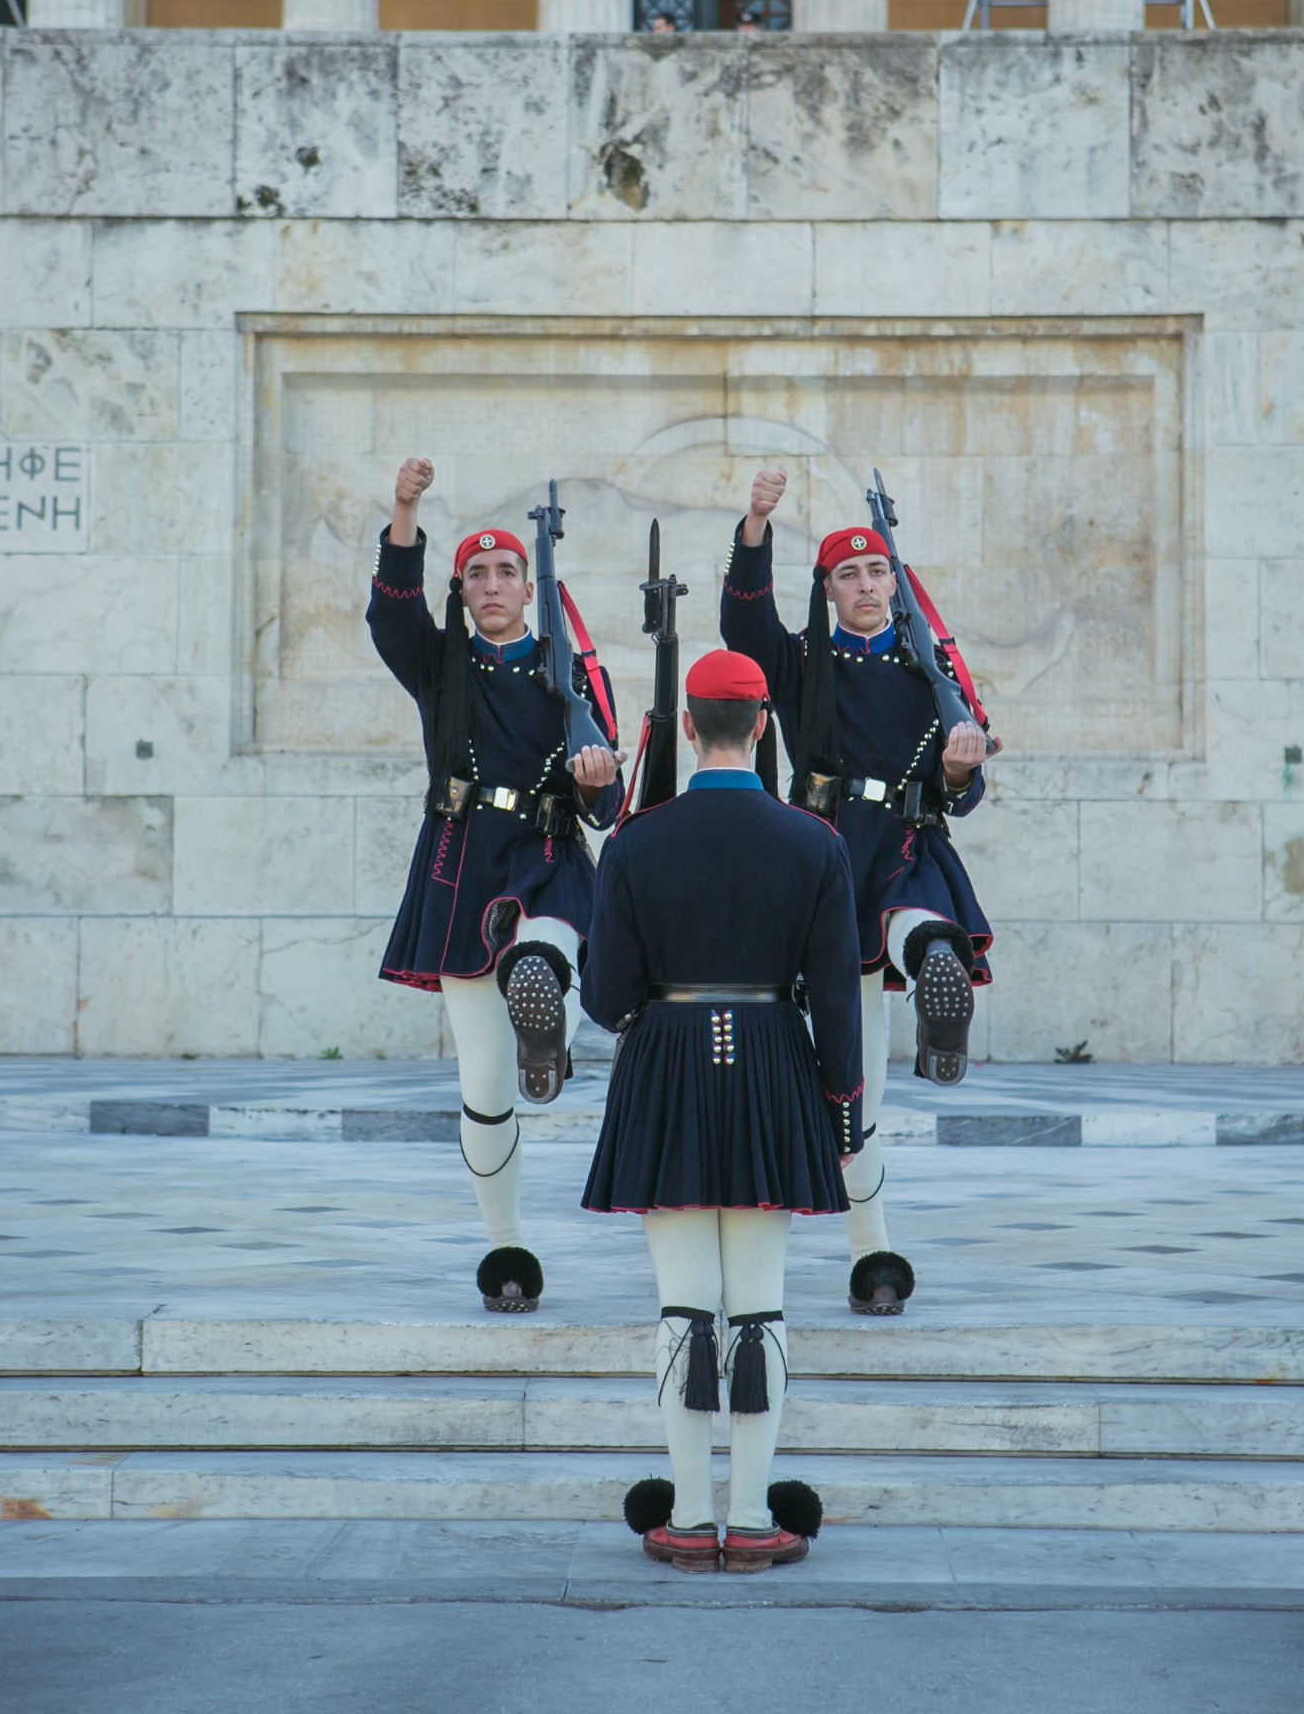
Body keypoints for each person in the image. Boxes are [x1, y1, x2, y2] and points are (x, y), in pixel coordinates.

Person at [581, 649, 863, 1574]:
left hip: (666, 1062)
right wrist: (842, 1105)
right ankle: (751, 1518)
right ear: (763, 725)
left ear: (688, 727)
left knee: (681, 1305)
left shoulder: (634, 841)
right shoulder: (815, 842)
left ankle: (688, 1518)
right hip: (774, 1060)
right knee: (760, 1306)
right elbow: (836, 997)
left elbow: (604, 994)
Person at [720, 468, 992, 1319]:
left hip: (905, 847)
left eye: (878, 572)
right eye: (849, 575)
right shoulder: (802, 665)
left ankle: (937, 984)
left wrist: (957, 770)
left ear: (894, 582)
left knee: (921, 926)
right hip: (828, 852)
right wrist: (754, 528)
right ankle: (867, 1248)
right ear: (829, 589)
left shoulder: (931, 665)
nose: (867, 586)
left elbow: (966, 790)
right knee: (855, 1081)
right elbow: (743, 626)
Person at [368, 456, 623, 1315]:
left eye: (505, 571)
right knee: (482, 1083)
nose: (490, 585)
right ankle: (506, 1247)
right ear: (461, 589)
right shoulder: (440, 666)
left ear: (529, 586)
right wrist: (406, 509)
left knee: (542, 950)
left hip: (545, 859)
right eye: (474, 574)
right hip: (461, 862)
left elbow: (608, 802)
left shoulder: (572, 672)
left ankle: (542, 997)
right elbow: (390, 612)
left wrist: (592, 780)